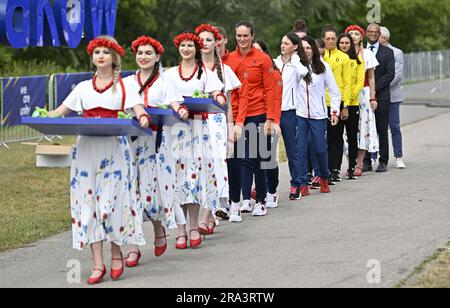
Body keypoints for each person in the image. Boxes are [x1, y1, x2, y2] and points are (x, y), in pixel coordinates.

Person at [45, 36, 147, 284]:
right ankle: (98, 264)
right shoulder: (82, 87)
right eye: (97, 52)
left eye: (105, 52)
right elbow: (59, 112)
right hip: (86, 153)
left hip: (114, 150)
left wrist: (143, 117)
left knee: (112, 204)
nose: (100, 56)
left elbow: (138, 109)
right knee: (88, 206)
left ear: (114, 57)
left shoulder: (124, 86)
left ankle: (116, 253)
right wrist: (40, 117)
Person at [123, 36, 188, 267]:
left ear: (157, 57)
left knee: (154, 193)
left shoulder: (164, 81)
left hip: (157, 143)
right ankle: (132, 247)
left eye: (148, 53)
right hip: (132, 144)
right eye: (140, 53)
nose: (143, 57)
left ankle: (159, 230)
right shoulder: (128, 82)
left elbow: (174, 103)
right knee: (132, 193)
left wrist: (179, 110)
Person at [165, 32, 225, 249]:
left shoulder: (205, 73)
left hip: (198, 131)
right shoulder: (170, 74)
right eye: (183, 45)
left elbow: (217, 91)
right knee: (176, 181)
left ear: (197, 48)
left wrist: (218, 97)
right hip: (175, 133)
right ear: (178, 48)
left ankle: (193, 227)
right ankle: (180, 230)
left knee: (194, 179)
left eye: (190, 45)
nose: (186, 49)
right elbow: (162, 97)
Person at [226, 21, 277, 217]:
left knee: (257, 157)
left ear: (252, 36)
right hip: (238, 115)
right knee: (241, 158)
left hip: (258, 113)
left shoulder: (262, 59)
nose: (242, 39)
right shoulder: (229, 59)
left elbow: (270, 90)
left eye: (245, 35)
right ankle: (244, 198)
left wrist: (271, 118)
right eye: (239, 35)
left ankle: (261, 201)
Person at [195, 24, 242, 232]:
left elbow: (229, 104)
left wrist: (230, 128)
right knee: (197, 168)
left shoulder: (224, 70)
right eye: (201, 40)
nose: (204, 44)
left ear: (217, 43)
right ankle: (210, 211)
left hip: (216, 123)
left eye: (208, 39)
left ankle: (206, 215)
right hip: (195, 123)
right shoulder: (190, 69)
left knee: (215, 167)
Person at [297, 36, 341, 197]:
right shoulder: (295, 67)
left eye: (309, 48)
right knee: (301, 150)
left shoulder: (323, 67)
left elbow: (335, 92)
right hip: (300, 115)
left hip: (318, 115)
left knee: (320, 149)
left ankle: (323, 176)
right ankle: (302, 183)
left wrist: (334, 111)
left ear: (313, 50)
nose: (306, 51)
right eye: (303, 48)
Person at [216, 26, 249, 223]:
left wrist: (238, 122)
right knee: (214, 165)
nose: (215, 43)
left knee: (234, 162)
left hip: (232, 118)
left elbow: (242, 95)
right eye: (210, 40)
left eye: (218, 39)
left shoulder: (234, 62)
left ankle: (235, 203)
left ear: (225, 40)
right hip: (208, 123)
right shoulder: (200, 67)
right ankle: (219, 205)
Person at [273, 33, 310, 200]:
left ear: (295, 47)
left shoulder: (297, 65)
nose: (282, 46)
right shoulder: (275, 62)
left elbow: (304, 73)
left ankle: (297, 184)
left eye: (286, 43)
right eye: (282, 42)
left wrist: (295, 59)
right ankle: (267, 188)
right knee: (267, 150)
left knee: (292, 151)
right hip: (273, 111)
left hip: (289, 112)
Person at [345, 25, 379, 176]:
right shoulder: (343, 54)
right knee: (347, 131)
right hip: (346, 93)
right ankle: (350, 164)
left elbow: (371, 77)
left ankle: (359, 164)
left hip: (363, 93)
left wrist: (373, 97)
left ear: (361, 37)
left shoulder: (367, 54)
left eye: (356, 33)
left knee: (364, 127)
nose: (353, 36)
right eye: (350, 33)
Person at [253, 39, 284, 208]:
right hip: (253, 118)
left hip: (270, 120)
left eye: (259, 51)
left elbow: (277, 100)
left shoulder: (274, 73)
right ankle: (260, 190)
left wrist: (274, 121)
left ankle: (272, 190)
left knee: (267, 157)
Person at [363, 23, 395, 173]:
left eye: (376, 32)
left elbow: (390, 74)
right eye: (370, 31)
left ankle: (383, 160)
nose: (373, 34)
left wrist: (373, 90)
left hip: (381, 96)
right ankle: (366, 161)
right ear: (366, 33)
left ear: (379, 34)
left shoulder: (388, 52)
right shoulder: (360, 51)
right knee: (365, 128)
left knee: (381, 129)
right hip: (363, 96)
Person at [322, 24, 352, 183]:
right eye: (328, 39)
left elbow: (347, 83)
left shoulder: (344, 57)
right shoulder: (320, 56)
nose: (331, 41)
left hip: (336, 103)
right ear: (323, 40)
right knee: (322, 139)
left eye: (333, 38)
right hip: (320, 103)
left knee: (336, 137)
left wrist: (345, 105)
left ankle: (335, 169)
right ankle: (323, 170)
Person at [337, 33, 365, 179]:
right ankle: (335, 168)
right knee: (337, 137)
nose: (344, 45)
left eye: (347, 43)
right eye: (341, 43)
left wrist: (347, 100)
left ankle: (352, 167)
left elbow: (359, 83)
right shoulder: (332, 60)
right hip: (336, 103)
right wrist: (339, 100)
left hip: (352, 104)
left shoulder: (358, 61)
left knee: (352, 137)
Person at [380, 26, 406, 170]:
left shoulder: (397, 53)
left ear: (384, 38)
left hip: (392, 96)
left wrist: (379, 87)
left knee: (394, 126)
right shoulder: (372, 52)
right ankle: (374, 157)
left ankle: (398, 156)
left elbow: (397, 75)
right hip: (377, 95)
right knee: (377, 128)